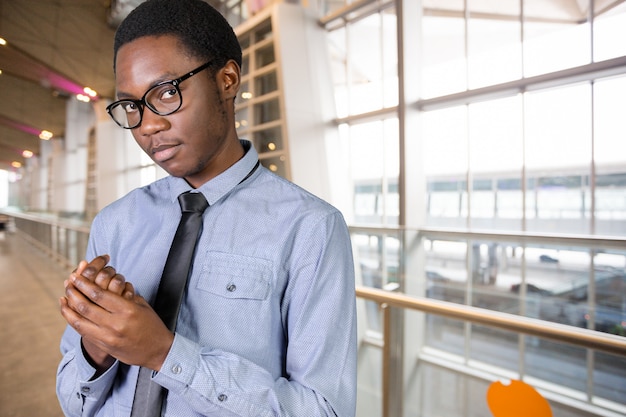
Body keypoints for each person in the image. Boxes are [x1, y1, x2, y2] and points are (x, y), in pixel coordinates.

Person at [56, 0, 357, 416]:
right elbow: (74, 403)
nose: (147, 126)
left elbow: (325, 409)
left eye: (165, 93)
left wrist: (165, 354)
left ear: (228, 80)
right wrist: (97, 344)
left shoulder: (310, 229)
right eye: (131, 106)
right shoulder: (116, 222)